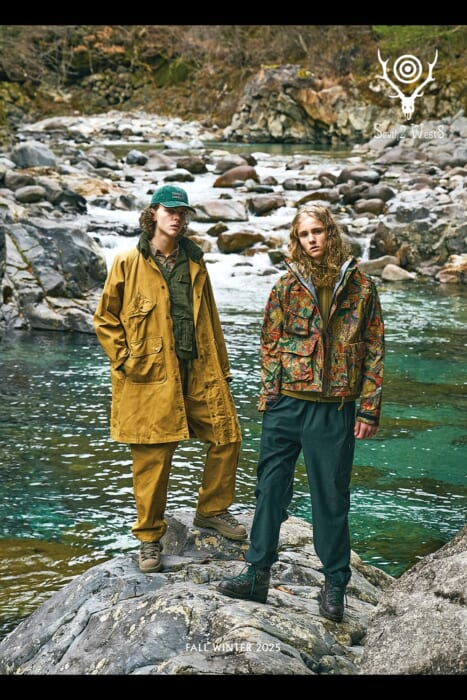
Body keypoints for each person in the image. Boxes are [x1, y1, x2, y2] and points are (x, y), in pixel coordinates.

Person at [217, 203, 384, 622]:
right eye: (304, 234)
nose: (312, 240)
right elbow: (269, 342)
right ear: (297, 239)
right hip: (286, 405)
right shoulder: (286, 286)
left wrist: (368, 409)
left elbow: (374, 349)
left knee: (331, 498)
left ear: (331, 233)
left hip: (334, 408)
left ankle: (334, 586)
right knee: (270, 490)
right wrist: (269, 397)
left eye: (317, 232)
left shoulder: (361, 287)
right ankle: (256, 575)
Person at [93, 184, 246, 574]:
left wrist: (223, 369)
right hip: (149, 374)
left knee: (227, 436)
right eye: (169, 211)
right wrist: (125, 360)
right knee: (152, 457)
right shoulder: (127, 261)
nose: (177, 218)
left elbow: (210, 318)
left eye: (182, 212)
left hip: (199, 370)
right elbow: (105, 319)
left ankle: (211, 510)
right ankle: (149, 538)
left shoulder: (195, 262)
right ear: (153, 215)